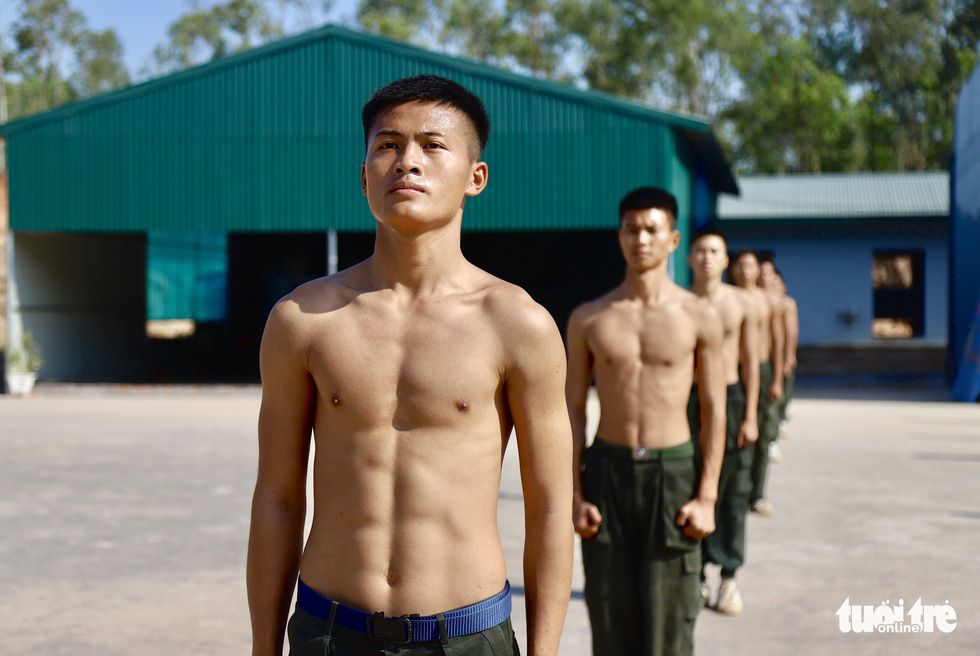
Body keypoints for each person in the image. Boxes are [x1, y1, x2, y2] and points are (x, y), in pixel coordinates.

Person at [246, 75, 574, 656]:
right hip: (329, 632)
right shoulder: (303, 319)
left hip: (467, 636)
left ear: (477, 178)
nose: (407, 162)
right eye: (387, 145)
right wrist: (264, 647)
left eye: (433, 144)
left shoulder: (518, 324)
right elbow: (277, 495)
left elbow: (549, 507)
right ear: (363, 175)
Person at [565, 187, 726, 656]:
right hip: (608, 471)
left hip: (672, 472)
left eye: (652, 229)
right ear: (619, 236)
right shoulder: (590, 318)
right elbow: (572, 410)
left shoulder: (699, 317)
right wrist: (574, 494)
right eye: (631, 229)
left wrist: (707, 496)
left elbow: (714, 408)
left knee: (669, 623)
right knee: (610, 616)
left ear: (673, 239)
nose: (641, 239)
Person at [687, 229, 759, 616]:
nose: (706, 257)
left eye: (714, 251)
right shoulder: (678, 302)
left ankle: (728, 578)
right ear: (688, 257)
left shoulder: (741, 304)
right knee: (689, 482)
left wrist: (750, 415)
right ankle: (695, 572)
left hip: (730, 399)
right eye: (699, 250)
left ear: (726, 259)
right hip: (687, 400)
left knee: (732, 488)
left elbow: (751, 362)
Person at [728, 251, 784, 517]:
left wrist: (776, 377)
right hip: (732, 371)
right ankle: (733, 492)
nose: (745, 270)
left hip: (761, 369)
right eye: (739, 265)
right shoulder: (725, 298)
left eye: (749, 265)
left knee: (760, 433)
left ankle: (757, 493)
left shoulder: (766, 302)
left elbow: (777, 340)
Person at [759, 262, 799, 445]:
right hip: (759, 355)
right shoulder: (754, 299)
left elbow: (790, 331)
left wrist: (789, 354)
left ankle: (775, 429)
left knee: (779, 392)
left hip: (778, 352)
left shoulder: (784, 303)